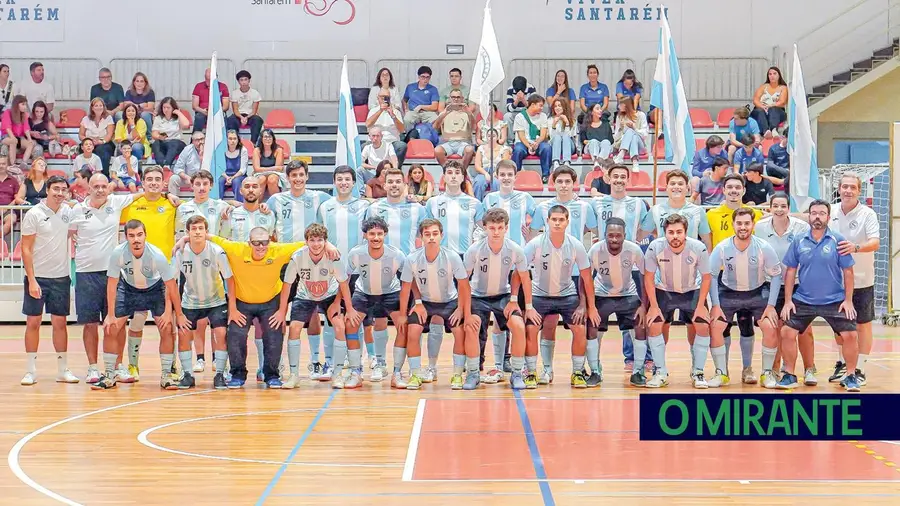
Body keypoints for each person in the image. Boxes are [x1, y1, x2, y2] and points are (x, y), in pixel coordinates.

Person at [198, 226, 330, 388]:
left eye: (265, 242)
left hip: (270, 301)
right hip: (242, 302)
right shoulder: (236, 249)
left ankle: (271, 375)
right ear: (249, 243)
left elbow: (308, 243)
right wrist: (183, 239)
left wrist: (329, 245)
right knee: (235, 335)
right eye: (257, 243)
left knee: (274, 335)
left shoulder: (278, 250)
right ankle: (237, 374)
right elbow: (208, 236)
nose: (261, 247)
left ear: (270, 241)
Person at [70, 173, 164, 385]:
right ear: (88, 188)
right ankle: (93, 367)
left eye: (104, 186)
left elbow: (145, 193)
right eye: (96, 186)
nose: (101, 189)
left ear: (109, 188)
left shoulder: (116, 202)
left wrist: (167, 195)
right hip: (86, 273)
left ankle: (119, 366)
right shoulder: (77, 210)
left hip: (114, 273)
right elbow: (66, 232)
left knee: (118, 323)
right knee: (90, 323)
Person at [780, 199, 861, 391]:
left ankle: (850, 376)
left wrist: (848, 301)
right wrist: (788, 301)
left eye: (821, 213)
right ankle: (789, 374)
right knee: (786, 332)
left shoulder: (838, 240)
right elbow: (790, 271)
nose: (817, 216)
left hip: (834, 300)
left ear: (827, 217)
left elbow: (848, 272)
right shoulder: (799, 240)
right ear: (809, 216)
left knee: (850, 335)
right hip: (804, 299)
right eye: (814, 213)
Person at [98, 219, 189, 390]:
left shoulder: (157, 255)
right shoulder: (118, 253)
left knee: (167, 327)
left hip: (155, 289)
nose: (136, 239)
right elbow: (111, 284)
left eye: (139, 235)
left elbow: (171, 286)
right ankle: (110, 375)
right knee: (111, 327)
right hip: (128, 289)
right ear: (125, 237)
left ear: (145, 236)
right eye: (131, 236)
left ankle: (166, 376)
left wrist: (174, 313)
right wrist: (110, 315)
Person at [707, 208, 783, 389]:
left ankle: (766, 374)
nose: (743, 227)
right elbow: (711, 276)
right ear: (733, 225)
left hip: (756, 292)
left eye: (746, 223)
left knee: (771, 326)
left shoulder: (764, 247)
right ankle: (721, 373)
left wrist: (771, 305)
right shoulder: (722, 248)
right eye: (739, 223)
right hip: (728, 292)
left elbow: (776, 275)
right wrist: (715, 305)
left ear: (753, 225)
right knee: (716, 326)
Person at [422, 161, 484, 380]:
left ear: (463, 177)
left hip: (465, 262)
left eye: (457, 172)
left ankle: (468, 364)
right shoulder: (433, 202)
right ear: (444, 177)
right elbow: (426, 231)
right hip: (440, 260)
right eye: (449, 172)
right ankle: (431, 366)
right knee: (437, 316)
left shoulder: (475, 203)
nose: (453, 176)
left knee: (467, 315)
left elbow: (481, 232)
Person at [464, 208, 538, 389]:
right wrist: (464, 310)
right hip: (477, 295)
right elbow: (463, 281)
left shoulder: (515, 249)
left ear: (506, 228)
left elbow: (524, 278)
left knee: (519, 327)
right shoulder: (474, 250)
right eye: (492, 228)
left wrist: (526, 305)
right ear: (485, 228)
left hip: (503, 295)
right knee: (471, 327)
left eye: (499, 228)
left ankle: (517, 373)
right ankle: (473, 374)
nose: (496, 232)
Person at [524, 205, 596, 388]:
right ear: (547, 221)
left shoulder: (575, 245)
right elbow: (520, 274)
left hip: (566, 295)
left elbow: (587, 279)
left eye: (561, 220)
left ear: (567, 222)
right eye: (553, 219)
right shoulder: (535, 244)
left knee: (580, 329)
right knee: (531, 330)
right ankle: (533, 372)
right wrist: (525, 304)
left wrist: (587, 306)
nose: (557, 223)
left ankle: (577, 372)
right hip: (539, 294)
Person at [118, 166, 179, 380]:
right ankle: (133, 365)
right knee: (136, 323)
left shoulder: (172, 205)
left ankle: (170, 366)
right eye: (149, 179)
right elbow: (105, 207)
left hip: (164, 276)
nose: (153, 182)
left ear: (164, 184)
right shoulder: (132, 205)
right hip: (136, 275)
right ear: (142, 183)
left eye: (157, 180)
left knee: (167, 323)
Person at [401, 219, 476, 389]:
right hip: (424, 302)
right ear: (421, 237)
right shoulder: (412, 258)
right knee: (413, 332)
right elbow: (406, 289)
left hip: (449, 301)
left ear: (441, 236)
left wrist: (462, 309)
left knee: (459, 332)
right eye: (427, 234)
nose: (431, 238)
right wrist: (405, 313)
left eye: (435, 234)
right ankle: (415, 375)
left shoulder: (452, 257)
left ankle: (457, 375)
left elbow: (465, 287)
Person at [480, 160, 538, 381]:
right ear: (496, 176)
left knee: (517, 314)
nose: (505, 178)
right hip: (496, 261)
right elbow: (482, 225)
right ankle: (499, 360)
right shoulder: (489, 199)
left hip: (518, 262)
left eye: (509, 174)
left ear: (515, 177)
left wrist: (530, 235)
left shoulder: (526, 199)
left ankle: (517, 362)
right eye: (501, 174)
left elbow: (538, 220)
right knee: (498, 317)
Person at [274, 223, 351, 389]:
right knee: (294, 328)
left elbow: (343, 283)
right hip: (304, 296)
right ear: (306, 241)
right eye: (312, 240)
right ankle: (294, 375)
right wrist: (282, 311)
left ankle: (337, 375)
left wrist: (348, 308)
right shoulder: (297, 257)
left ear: (325, 241)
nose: (316, 244)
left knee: (339, 326)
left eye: (320, 240)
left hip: (329, 295)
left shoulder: (333, 257)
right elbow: (287, 285)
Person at [19, 175, 79, 386]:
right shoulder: (34, 214)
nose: (59, 193)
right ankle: (30, 371)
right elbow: (26, 249)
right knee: (33, 322)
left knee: (60, 323)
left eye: (63, 189)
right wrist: (32, 280)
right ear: (47, 189)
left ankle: (62, 370)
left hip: (61, 277)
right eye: (56, 189)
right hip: (37, 278)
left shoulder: (68, 212)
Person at [589, 164, 650, 369]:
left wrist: (633, 243)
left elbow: (646, 229)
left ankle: (634, 359)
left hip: (630, 261)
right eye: (615, 176)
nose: (619, 180)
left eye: (623, 177)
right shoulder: (597, 203)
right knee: (600, 314)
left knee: (632, 313)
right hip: (604, 260)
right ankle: (598, 365)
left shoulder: (639, 203)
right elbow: (590, 227)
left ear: (628, 179)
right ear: (608, 178)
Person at [642, 214, 712, 388]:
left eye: (679, 232)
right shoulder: (654, 247)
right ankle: (660, 371)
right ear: (664, 233)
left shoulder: (698, 247)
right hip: (664, 290)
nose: (675, 236)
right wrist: (653, 307)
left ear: (686, 233)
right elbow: (649, 278)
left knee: (702, 325)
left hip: (691, 290)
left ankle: (698, 371)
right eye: (671, 232)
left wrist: (702, 305)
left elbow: (707, 277)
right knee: (655, 324)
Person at [754, 193, 816, 385]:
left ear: (789, 208)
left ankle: (809, 369)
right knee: (776, 328)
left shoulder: (802, 228)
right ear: (770, 208)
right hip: (770, 284)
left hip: (798, 284)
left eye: (783, 206)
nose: (779, 209)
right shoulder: (760, 227)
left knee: (804, 329)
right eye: (776, 206)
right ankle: (775, 370)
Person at [318, 166, 374, 375]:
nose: (343, 183)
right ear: (334, 181)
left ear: (353, 183)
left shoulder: (364, 206)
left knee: (356, 318)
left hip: (357, 271)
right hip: (330, 271)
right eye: (339, 179)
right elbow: (318, 234)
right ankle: (330, 362)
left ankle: (355, 361)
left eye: (347, 179)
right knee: (331, 317)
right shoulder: (325, 207)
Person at [170, 215, 235, 389]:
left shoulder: (216, 251)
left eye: (201, 229)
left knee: (221, 334)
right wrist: (178, 313)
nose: (197, 232)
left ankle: (220, 374)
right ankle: (188, 375)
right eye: (194, 229)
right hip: (190, 302)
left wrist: (233, 308)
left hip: (216, 300)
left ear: (206, 232)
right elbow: (171, 283)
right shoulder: (180, 253)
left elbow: (229, 279)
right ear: (188, 232)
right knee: (184, 335)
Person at [828, 173, 880, 386]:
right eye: (845, 187)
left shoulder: (867, 214)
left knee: (862, 324)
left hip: (861, 279)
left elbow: (875, 242)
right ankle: (842, 363)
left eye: (853, 187)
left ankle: (860, 367)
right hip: (834, 280)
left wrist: (855, 247)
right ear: (839, 189)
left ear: (859, 191)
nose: (848, 190)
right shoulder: (830, 211)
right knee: (838, 325)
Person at [344, 216, 408, 387]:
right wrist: (344, 305)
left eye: (380, 233)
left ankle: (396, 373)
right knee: (350, 324)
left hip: (390, 292)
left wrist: (405, 310)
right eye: (372, 234)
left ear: (385, 234)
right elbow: (344, 279)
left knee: (403, 326)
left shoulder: (396, 255)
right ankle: (356, 372)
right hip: (364, 292)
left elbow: (408, 282)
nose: (376, 237)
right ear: (365, 235)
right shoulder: (356, 253)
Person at [587, 218, 645, 387]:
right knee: (592, 328)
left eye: (618, 236)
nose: (614, 239)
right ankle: (595, 371)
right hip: (601, 294)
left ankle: (638, 371)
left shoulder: (634, 250)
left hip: (628, 294)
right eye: (610, 235)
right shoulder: (595, 250)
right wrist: (589, 306)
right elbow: (585, 279)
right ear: (604, 235)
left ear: (624, 236)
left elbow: (644, 277)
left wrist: (644, 305)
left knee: (640, 327)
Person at [366, 168, 427, 255]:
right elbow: (368, 238)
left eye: (398, 182)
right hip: (381, 263)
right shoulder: (373, 209)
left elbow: (424, 237)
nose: (394, 185)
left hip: (408, 263)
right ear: (384, 186)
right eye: (390, 182)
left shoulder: (418, 208)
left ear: (405, 185)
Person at [266, 160, 328, 242]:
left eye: (301, 175)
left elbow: (338, 203)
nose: (298, 179)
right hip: (285, 251)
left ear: (307, 176)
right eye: (294, 175)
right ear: (288, 177)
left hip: (309, 250)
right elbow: (264, 219)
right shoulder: (276, 199)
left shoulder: (319, 197)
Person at [706, 174, 764, 248]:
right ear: (723, 190)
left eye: (737, 187)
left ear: (744, 191)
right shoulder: (710, 215)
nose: (733, 190)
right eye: (729, 187)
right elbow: (708, 244)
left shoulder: (756, 214)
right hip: (721, 258)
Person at [511, 94, 552, 183]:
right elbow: (521, 136)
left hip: (537, 142)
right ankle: (515, 176)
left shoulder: (543, 116)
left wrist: (537, 143)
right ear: (533, 105)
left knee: (546, 148)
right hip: (523, 143)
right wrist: (529, 146)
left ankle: (546, 175)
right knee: (518, 150)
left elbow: (543, 134)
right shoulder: (520, 117)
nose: (542, 108)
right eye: (540, 105)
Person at [432, 89, 476, 168]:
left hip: (464, 142)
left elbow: (474, 127)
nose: (455, 99)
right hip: (448, 143)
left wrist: (469, 112)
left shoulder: (467, 112)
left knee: (470, 150)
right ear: (449, 98)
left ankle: (462, 170)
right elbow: (435, 127)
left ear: (462, 98)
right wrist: (444, 113)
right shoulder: (444, 112)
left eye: (458, 97)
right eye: (453, 97)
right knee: (437, 150)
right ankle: (447, 169)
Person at [225, 176, 275, 242]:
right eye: (247, 186)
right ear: (241, 191)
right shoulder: (231, 214)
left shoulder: (269, 214)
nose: (251, 190)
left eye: (254, 186)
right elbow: (224, 239)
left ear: (260, 191)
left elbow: (271, 239)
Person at [366, 89, 408, 168]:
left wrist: (393, 116)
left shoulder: (396, 111)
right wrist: (380, 111)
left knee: (401, 146)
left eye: (386, 97)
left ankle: (395, 170)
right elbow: (368, 124)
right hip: (375, 141)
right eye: (382, 97)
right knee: (364, 146)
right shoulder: (373, 110)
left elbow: (402, 130)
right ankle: (370, 170)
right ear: (378, 98)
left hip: (392, 142)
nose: (384, 99)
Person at [611, 96, 648, 172]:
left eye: (620, 105)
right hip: (622, 144)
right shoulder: (620, 117)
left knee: (631, 132)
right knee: (632, 135)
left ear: (627, 105)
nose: (618, 107)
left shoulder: (641, 115)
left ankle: (621, 155)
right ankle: (635, 162)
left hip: (640, 146)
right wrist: (620, 129)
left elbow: (644, 135)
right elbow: (615, 138)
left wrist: (635, 128)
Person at [226, 70, 264, 145]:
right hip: (238, 115)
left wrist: (246, 118)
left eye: (246, 79)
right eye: (241, 80)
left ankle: (253, 143)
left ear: (249, 80)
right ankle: (235, 142)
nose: (244, 82)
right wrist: (241, 117)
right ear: (238, 81)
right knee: (230, 120)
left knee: (258, 120)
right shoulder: (235, 93)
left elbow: (254, 110)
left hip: (251, 115)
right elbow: (235, 110)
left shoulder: (255, 93)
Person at [150, 97, 190, 167]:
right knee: (156, 144)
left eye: (168, 108)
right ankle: (161, 166)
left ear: (173, 108)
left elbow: (186, 125)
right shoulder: (158, 118)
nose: (165, 110)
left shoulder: (178, 118)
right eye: (164, 107)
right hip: (164, 142)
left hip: (177, 143)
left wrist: (178, 113)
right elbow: (154, 133)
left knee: (173, 143)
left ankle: (167, 165)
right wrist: (159, 136)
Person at [750, 66, 788, 138]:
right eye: (770, 74)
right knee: (759, 111)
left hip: (777, 110)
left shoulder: (783, 88)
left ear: (779, 75)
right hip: (761, 109)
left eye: (774, 74)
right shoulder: (763, 87)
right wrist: (763, 107)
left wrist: (770, 106)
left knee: (773, 109)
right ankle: (766, 131)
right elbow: (755, 100)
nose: (772, 76)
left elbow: (782, 102)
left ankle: (773, 129)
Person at [472, 126, 509, 200]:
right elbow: (477, 166)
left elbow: (504, 164)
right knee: (478, 183)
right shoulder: (481, 148)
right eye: (489, 136)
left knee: (497, 183)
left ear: (498, 137)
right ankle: (478, 206)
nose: (491, 138)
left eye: (493, 136)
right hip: (483, 171)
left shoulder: (504, 149)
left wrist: (495, 174)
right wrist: (486, 174)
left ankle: (497, 207)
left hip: (498, 172)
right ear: (486, 137)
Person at [80, 98, 116, 173]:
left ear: (103, 107)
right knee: (85, 148)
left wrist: (101, 141)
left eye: (101, 105)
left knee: (102, 150)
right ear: (92, 108)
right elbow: (81, 135)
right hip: (90, 142)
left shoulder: (108, 118)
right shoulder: (85, 119)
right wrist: (89, 141)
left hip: (105, 143)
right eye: (96, 106)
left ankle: (103, 175)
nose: (99, 107)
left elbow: (109, 135)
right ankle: (86, 175)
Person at [192, 68, 230, 133]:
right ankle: (194, 139)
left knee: (223, 118)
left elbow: (226, 106)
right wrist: (203, 111)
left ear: (216, 78)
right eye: (207, 79)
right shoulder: (198, 86)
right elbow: (194, 106)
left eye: (211, 80)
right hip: (202, 111)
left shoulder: (223, 87)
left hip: (218, 111)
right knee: (199, 117)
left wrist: (216, 111)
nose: (208, 82)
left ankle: (225, 140)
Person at [2, 94, 34, 165]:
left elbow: (26, 129)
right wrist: (13, 138)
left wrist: (29, 139)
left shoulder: (24, 114)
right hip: (7, 136)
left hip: (19, 138)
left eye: (25, 104)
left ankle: (24, 163)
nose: (25, 107)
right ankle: (13, 165)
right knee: (13, 141)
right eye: (23, 104)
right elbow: (7, 127)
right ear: (16, 105)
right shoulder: (8, 112)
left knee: (30, 144)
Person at [580, 104, 614, 171]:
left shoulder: (606, 124)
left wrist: (601, 144)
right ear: (592, 112)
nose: (600, 110)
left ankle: (599, 162)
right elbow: (583, 140)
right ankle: (596, 162)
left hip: (604, 148)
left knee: (606, 142)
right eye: (597, 109)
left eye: (601, 109)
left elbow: (611, 140)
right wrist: (590, 141)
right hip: (590, 147)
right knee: (593, 141)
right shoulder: (585, 124)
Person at [252, 129, 284, 197]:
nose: (268, 139)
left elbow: (279, 169)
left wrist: (263, 169)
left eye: (270, 137)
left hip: (275, 174)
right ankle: (257, 204)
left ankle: (276, 204)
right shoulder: (256, 150)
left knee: (272, 179)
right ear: (261, 139)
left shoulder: (279, 150)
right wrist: (273, 168)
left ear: (273, 139)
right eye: (265, 137)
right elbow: (256, 169)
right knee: (261, 179)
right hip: (260, 174)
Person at [221, 130, 249, 201]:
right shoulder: (221, 150)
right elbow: (219, 167)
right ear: (226, 140)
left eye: (234, 138)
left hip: (239, 176)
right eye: (230, 139)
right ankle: (217, 203)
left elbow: (243, 170)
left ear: (238, 139)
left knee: (236, 181)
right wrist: (227, 177)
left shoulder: (243, 150)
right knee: (219, 181)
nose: (232, 141)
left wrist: (232, 178)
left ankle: (239, 204)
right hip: (225, 175)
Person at [547, 97, 575, 168]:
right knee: (557, 137)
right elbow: (551, 137)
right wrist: (553, 125)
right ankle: (556, 163)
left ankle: (567, 162)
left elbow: (571, 136)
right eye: (555, 106)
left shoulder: (572, 120)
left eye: (559, 106)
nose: (557, 108)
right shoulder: (550, 119)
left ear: (564, 107)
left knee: (565, 136)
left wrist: (567, 123)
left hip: (568, 146)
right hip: (555, 146)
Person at [0, 157, 19, 237]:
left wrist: (7, 208)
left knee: (11, 220)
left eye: (3, 164)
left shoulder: (13, 180)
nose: (1, 166)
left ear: (7, 165)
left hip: (8, 209)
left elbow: (17, 198)